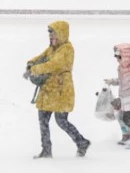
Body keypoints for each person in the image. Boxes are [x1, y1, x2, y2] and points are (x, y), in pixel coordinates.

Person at [24, 21, 91, 159]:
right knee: (43, 120)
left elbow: (53, 64)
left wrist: (35, 69)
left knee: (61, 121)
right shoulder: (52, 48)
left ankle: (81, 142)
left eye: (53, 32)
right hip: (49, 89)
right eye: (49, 33)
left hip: (61, 90)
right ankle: (46, 150)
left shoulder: (67, 49)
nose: (50, 36)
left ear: (61, 33)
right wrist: (31, 63)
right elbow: (41, 57)